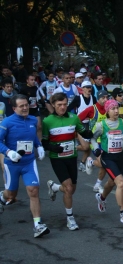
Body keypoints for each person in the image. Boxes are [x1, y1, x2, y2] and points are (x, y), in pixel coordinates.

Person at [43, 92, 93, 231]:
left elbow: (84, 132)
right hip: (57, 159)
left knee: (71, 190)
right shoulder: (47, 121)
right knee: (69, 188)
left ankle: (54, 187)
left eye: (65, 104)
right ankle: (70, 218)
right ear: (53, 105)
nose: (63, 107)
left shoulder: (73, 118)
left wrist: (95, 131)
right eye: (59, 105)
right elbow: (44, 143)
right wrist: (53, 147)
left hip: (72, 157)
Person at [0, 94, 48, 237]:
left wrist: (39, 146)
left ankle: (38, 225)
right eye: (21, 106)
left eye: (26, 105)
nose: (25, 108)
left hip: (29, 162)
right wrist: (8, 152)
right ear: (14, 108)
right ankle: (2, 197)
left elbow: (32, 135)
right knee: (11, 195)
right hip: (12, 164)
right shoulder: (7, 122)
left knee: (33, 190)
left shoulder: (33, 120)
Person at [89, 99, 123, 223]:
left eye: (117, 108)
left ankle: (102, 197)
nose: (116, 111)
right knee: (120, 183)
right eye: (113, 109)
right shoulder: (101, 125)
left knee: (111, 182)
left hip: (121, 158)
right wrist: (96, 150)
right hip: (108, 158)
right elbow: (93, 139)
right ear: (107, 111)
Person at [78, 90, 109, 191]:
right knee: (103, 163)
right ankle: (90, 162)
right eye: (103, 98)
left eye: (107, 97)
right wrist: (83, 132)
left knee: (105, 165)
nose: (105, 100)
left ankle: (97, 185)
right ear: (98, 98)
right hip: (95, 140)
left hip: (107, 140)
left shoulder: (109, 108)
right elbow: (77, 119)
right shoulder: (92, 109)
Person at [68, 81, 96, 172]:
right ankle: (70, 147)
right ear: (82, 89)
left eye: (90, 87)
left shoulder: (93, 98)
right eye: (87, 87)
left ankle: (82, 163)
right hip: (80, 124)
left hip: (91, 124)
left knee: (90, 146)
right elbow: (68, 109)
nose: (89, 89)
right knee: (85, 147)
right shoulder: (78, 98)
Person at [20, 74, 42, 140]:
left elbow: (38, 97)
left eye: (34, 80)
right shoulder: (23, 89)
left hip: (35, 109)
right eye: (31, 80)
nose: (33, 81)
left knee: (39, 126)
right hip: (26, 110)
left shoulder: (36, 88)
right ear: (27, 81)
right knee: (26, 127)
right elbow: (19, 99)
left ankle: (40, 144)